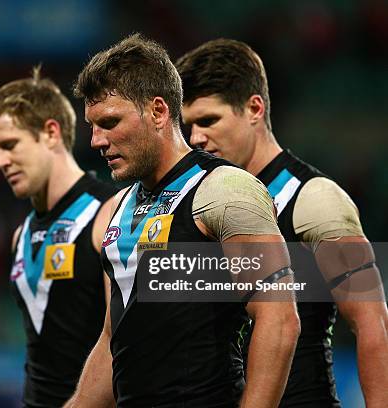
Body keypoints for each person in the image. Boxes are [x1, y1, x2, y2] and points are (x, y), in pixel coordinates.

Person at [66, 34, 300, 408]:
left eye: (110, 122)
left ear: (158, 112)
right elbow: (114, 341)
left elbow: (279, 319)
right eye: (92, 126)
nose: (96, 141)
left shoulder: (226, 189)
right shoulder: (119, 208)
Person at [176, 39, 388, 408]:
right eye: (188, 126)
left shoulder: (314, 199)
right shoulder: (202, 207)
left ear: (254, 108)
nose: (196, 138)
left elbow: (373, 325)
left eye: (209, 120)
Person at [0, 68, 116, 407]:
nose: (0, 162)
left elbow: (122, 345)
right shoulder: (21, 235)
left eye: (9, 145)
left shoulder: (109, 213)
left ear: (51, 132)